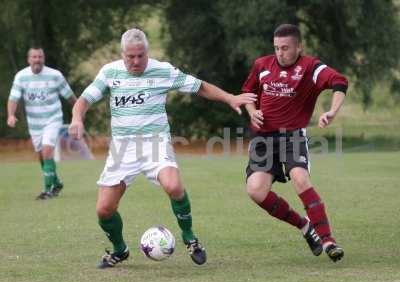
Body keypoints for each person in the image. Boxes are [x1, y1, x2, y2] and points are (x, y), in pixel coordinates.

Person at [68, 28, 256, 268]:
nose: (136, 61)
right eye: (130, 57)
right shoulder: (109, 72)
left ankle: (190, 238)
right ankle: (120, 250)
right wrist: (77, 118)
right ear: (122, 54)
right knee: (104, 210)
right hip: (122, 149)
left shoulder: (163, 71)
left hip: (155, 143)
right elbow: (83, 101)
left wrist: (230, 98)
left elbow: (199, 86)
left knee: (174, 186)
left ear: (147, 52)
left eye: (141, 56)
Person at [242, 24, 347, 262]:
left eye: (286, 48)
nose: (280, 53)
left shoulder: (311, 67)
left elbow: (340, 82)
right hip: (263, 138)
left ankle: (328, 239)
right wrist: (251, 110)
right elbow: (248, 92)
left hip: (292, 137)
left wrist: (332, 111)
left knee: (300, 178)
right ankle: (304, 227)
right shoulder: (262, 65)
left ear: (299, 47)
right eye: (277, 48)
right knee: (256, 191)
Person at [7, 47, 77, 200]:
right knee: (41, 157)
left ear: (43, 59)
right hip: (34, 124)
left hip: (52, 119)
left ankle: (48, 190)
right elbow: (13, 98)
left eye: (40, 56)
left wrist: (78, 114)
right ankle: (56, 183)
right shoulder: (21, 76)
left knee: (47, 152)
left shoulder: (55, 75)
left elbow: (70, 96)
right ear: (29, 59)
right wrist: (11, 115)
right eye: (34, 57)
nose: (37, 59)